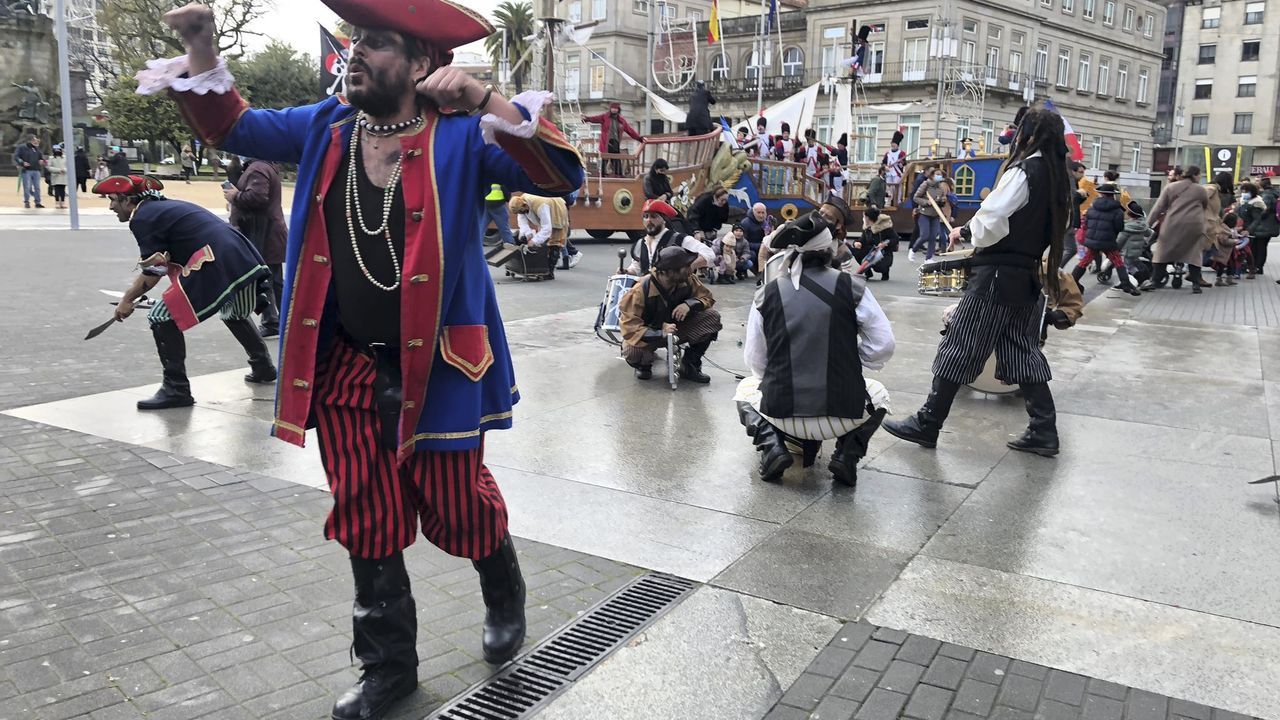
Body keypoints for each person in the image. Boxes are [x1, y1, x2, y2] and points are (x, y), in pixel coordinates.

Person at [144, 3, 585, 719]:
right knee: (366, 512)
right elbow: (233, 126)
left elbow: (561, 172)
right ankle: (388, 669)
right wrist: (200, 44)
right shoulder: (326, 124)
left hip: (443, 365)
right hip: (344, 363)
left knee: (455, 504)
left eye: (375, 44)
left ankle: (502, 585)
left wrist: (480, 97)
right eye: (354, 41)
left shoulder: (465, 135)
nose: (355, 54)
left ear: (419, 66)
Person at [883, 107, 1072, 458]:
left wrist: (966, 231)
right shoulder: (1058, 176)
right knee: (1021, 351)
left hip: (997, 277)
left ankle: (928, 422)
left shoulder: (1025, 170)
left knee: (960, 345)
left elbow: (995, 215)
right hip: (1027, 277)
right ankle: (1044, 429)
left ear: (1028, 135)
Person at [735, 212, 895, 486]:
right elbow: (883, 345)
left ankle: (772, 446)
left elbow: (756, 360)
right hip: (844, 417)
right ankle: (847, 454)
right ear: (828, 250)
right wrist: (848, 356)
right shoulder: (852, 287)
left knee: (744, 390)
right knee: (879, 395)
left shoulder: (767, 293)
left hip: (782, 415)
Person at [95, 174, 278, 408]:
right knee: (234, 313)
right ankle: (263, 366)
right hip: (241, 258)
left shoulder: (143, 217)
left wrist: (127, 300)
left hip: (216, 261)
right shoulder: (162, 209)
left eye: (113, 200)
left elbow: (154, 271)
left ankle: (176, 389)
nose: (111, 206)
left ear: (128, 200)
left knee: (160, 315)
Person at [618, 246, 721, 382]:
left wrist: (690, 304)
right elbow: (630, 328)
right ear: (670, 271)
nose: (691, 269)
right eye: (686, 266)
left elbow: (707, 297)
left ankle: (689, 365)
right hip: (651, 335)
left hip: (678, 329)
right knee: (632, 352)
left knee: (712, 317)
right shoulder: (640, 291)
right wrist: (660, 332)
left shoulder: (687, 279)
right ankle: (644, 365)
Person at [227, 156, 288, 336]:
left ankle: (274, 322)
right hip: (265, 232)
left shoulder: (258, 168)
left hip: (262, 233)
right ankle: (279, 321)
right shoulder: (262, 166)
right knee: (272, 280)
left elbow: (257, 197)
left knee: (265, 280)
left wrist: (234, 196)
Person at [1146, 165, 1210, 294]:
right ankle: (1196, 285)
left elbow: (1159, 207)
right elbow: (1205, 205)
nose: (1200, 178)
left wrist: (1148, 224)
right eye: (1199, 175)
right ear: (1195, 175)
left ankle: (1154, 281)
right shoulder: (1201, 190)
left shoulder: (1170, 187)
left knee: (1163, 251)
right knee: (1194, 253)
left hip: (1173, 223)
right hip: (1194, 225)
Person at [1072, 183, 1140, 295]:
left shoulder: (1091, 209)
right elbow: (1119, 227)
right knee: (1118, 262)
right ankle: (1125, 283)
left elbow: (1087, 224)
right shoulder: (1117, 211)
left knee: (1085, 261)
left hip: (1093, 241)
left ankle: (1073, 280)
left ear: (1101, 194)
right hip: (1108, 242)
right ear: (1113, 195)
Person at [628, 198, 714, 275]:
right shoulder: (640, 243)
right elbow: (637, 267)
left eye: (654, 216)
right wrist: (627, 272)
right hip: (648, 290)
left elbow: (709, 254)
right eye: (645, 217)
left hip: (674, 291)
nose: (649, 220)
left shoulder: (679, 239)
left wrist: (689, 267)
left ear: (664, 220)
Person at [509, 193, 569, 279]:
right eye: (520, 212)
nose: (522, 213)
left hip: (556, 209)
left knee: (555, 241)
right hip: (544, 206)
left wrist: (534, 241)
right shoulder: (520, 204)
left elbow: (547, 228)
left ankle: (549, 272)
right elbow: (522, 221)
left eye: (523, 211)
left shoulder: (541, 206)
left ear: (525, 205)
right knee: (542, 241)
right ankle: (541, 268)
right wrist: (528, 235)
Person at [582, 102, 644, 177]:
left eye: (616, 108)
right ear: (610, 109)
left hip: (615, 142)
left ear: (618, 110)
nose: (614, 110)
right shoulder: (605, 117)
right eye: (613, 108)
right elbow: (595, 118)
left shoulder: (621, 120)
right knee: (604, 158)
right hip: (606, 142)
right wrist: (586, 119)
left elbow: (630, 130)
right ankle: (602, 175)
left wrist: (639, 138)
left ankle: (618, 174)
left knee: (616, 158)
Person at [909, 168, 949, 262]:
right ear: (932, 175)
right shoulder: (925, 184)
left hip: (935, 214)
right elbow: (916, 197)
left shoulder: (940, 187)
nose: (939, 176)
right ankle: (913, 249)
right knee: (924, 235)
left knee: (933, 237)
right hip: (924, 213)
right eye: (937, 174)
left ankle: (929, 258)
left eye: (941, 175)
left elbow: (943, 198)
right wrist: (926, 202)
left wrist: (943, 200)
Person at [853, 206, 898, 281]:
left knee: (879, 267)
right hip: (870, 252)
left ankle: (885, 271)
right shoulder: (867, 227)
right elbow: (862, 240)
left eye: (864, 216)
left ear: (868, 217)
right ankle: (867, 272)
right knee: (857, 251)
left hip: (883, 253)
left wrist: (885, 243)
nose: (863, 218)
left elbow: (895, 238)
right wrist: (857, 243)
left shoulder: (885, 227)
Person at [1248, 177, 1279, 280]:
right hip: (1272, 225)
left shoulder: (1266, 195)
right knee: (1262, 246)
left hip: (1264, 226)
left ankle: (1258, 267)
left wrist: (1256, 215)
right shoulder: (1275, 193)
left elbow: (1264, 210)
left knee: (1259, 247)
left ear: (1261, 186)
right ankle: (1258, 266)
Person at [1116, 201, 1153, 285]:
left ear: (1129, 214)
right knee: (1135, 264)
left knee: (1128, 267)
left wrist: (1115, 249)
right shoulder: (1142, 225)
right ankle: (1145, 280)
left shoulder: (1126, 227)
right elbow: (1149, 233)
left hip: (1127, 252)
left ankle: (1141, 281)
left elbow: (1120, 241)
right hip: (1137, 251)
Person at [14, 134, 45, 208]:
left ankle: (37, 202)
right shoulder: (22, 147)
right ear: (30, 140)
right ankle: (27, 202)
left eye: (36, 140)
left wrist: (41, 160)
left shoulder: (36, 148)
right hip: (26, 170)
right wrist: (22, 162)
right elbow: (16, 156)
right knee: (27, 187)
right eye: (34, 140)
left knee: (37, 187)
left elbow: (40, 156)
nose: (36, 141)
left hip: (36, 170)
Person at [740, 203, 772, 272]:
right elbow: (742, 242)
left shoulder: (765, 222)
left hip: (760, 246)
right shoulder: (745, 223)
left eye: (763, 213)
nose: (761, 215)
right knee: (752, 255)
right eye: (758, 213)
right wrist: (759, 246)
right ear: (753, 212)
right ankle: (743, 270)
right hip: (747, 249)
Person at [882, 128, 906, 205]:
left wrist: (899, 163)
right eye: (892, 143)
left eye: (894, 143)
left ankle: (897, 202)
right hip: (889, 172)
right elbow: (884, 163)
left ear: (897, 144)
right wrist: (885, 167)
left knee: (897, 188)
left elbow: (903, 163)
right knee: (888, 188)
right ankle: (887, 202)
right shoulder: (888, 153)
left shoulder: (901, 153)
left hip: (897, 173)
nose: (893, 145)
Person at [46, 145, 68, 210]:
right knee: (56, 190)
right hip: (55, 176)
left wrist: (64, 170)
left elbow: (68, 166)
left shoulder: (65, 158)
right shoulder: (51, 158)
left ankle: (63, 203)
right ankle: (57, 202)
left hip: (63, 176)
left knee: (62, 190)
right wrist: (58, 170)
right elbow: (49, 167)